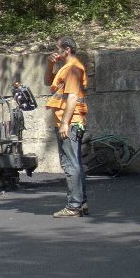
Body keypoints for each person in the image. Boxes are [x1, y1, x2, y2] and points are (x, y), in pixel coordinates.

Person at [45, 36, 90, 218]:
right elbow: (49, 82)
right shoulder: (66, 67)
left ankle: (73, 206)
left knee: (70, 164)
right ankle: (81, 202)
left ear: (67, 49)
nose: (56, 51)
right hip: (71, 121)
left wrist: (64, 122)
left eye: (58, 48)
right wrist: (49, 65)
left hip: (69, 122)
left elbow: (71, 97)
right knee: (75, 162)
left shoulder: (72, 69)